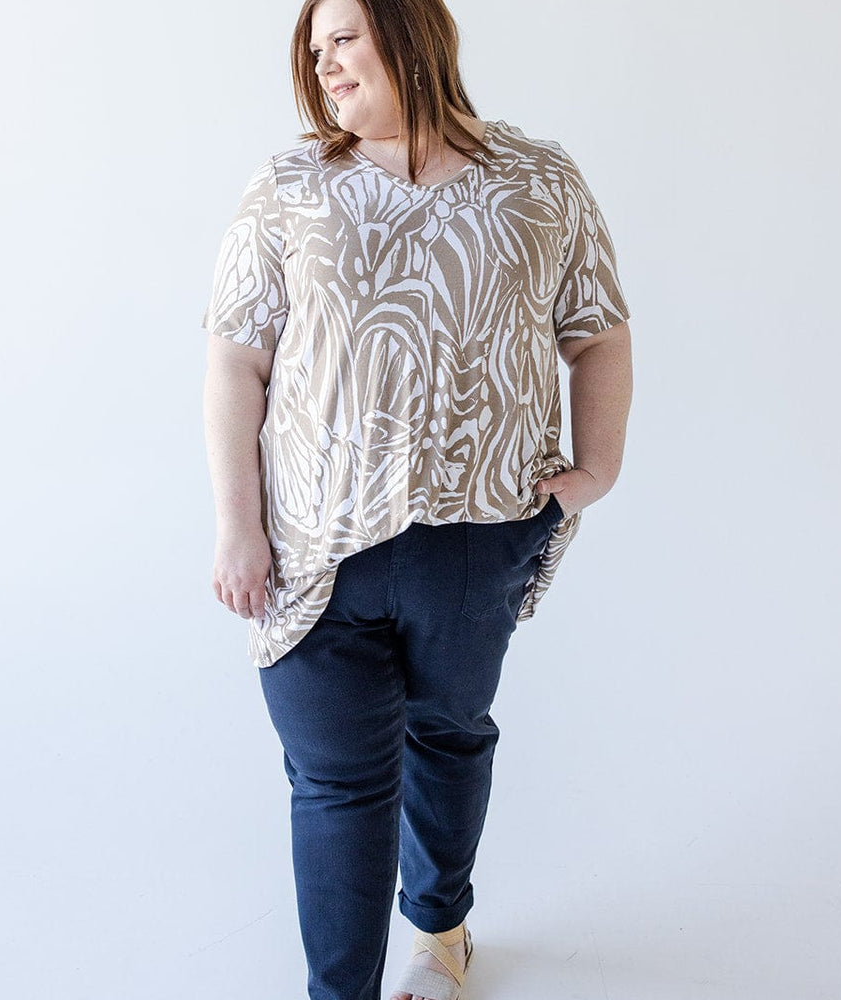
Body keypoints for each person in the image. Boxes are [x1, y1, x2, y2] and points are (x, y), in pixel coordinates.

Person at [200, 0, 633, 997]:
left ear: (410, 31)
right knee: (337, 782)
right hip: (311, 548)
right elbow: (235, 360)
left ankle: (440, 932)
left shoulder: (538, 180)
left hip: (481, 538)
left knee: (447, 735)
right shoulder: (290, 188)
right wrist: (237, 527)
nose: (326, 63)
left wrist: (596, 468)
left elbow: (597, 329)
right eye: (315, 50)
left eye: (343, 36)